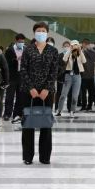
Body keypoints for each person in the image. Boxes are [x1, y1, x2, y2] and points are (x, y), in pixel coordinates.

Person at [20, 22, 59, 165]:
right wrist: (31, 88)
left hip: (46, 93)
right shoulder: (28, 50)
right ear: (34, 33)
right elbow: (23, 70)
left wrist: (47, 89)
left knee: (46, 124)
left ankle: (45, 156)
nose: (41, 32)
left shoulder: (52, 51)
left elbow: (54, 71)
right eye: (38, 30)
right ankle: (28, 156)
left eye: (43, 30)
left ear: (47, 33)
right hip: (28, 92)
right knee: (28, 124)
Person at [56, 40, 86, 118]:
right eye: (73, 45)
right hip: (68, 75)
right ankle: (59, 110)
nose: (74, 47)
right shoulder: (68, 53)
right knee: (63, 94)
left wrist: (80, 50)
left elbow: (84, 61)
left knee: (75, 96)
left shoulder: (80, 54)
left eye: (76, 45)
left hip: (77, 76)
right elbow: (64, 59)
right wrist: (70, 49)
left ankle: (72, 111)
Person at [4, 33, 26, 123]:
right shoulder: (10, 50)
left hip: (22, 76)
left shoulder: (26, 49)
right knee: (10, 96)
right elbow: (6, 64)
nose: (21, 43)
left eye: (23, 42)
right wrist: (16, 60)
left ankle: (17, 114)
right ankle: (7, 114)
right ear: (16, 41)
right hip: (12, 76)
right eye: (20, 41)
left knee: (20, 96)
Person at [80, 39, 95, 111]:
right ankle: (86, 106)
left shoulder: (88, 52)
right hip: (86, 75)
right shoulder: (83, 52)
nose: (85, 45)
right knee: (86, 92)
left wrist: (93, 47)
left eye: (87, 44)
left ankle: (87, 106)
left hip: (88, 75)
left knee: (87, 92)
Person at [55, 41, 71, 112]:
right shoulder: (59, 55)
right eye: (65, 46)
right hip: (61, 76)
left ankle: (69, 108)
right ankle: (56, 107)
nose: (66, 47)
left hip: (69, 76)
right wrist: (62, 69)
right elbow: (56, 65)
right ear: (63, 47)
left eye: (68, 46)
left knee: (69, 93)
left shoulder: (71, 55)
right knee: (59, 93)